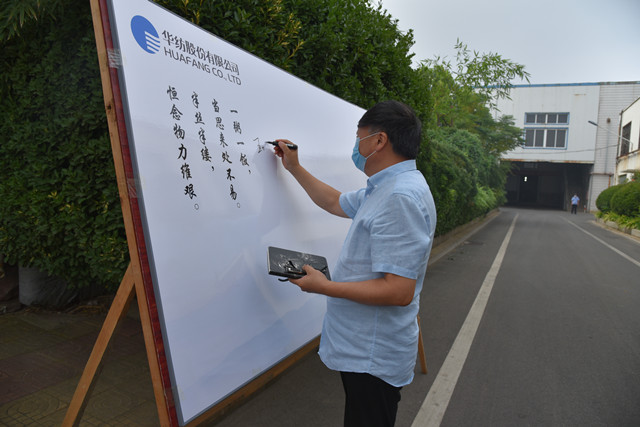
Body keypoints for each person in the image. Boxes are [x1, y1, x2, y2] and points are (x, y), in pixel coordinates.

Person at [273, 100, 437, 427]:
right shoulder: (388, 188)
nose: (356, 146)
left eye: (359, 138)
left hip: (372, 355)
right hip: (365, 350)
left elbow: (399, 290)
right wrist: (294, 167)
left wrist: (324, 287)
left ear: (379, 141)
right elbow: (334, 201)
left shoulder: (399, 197)